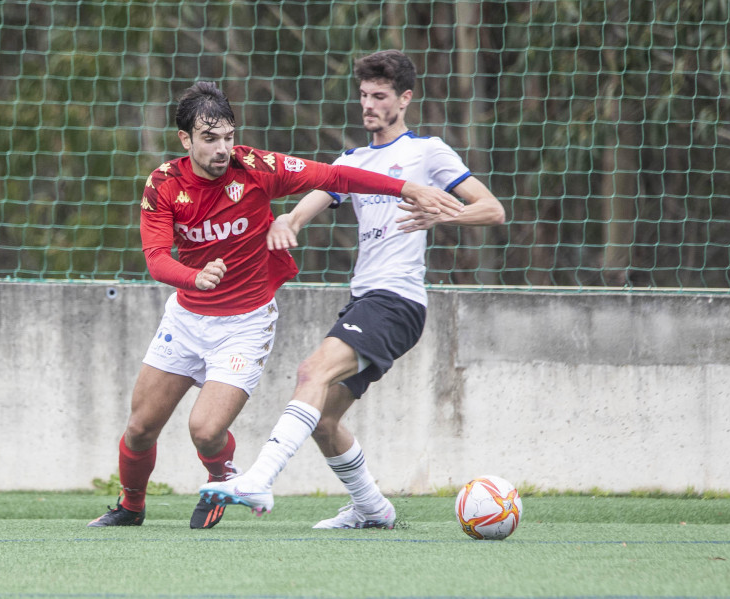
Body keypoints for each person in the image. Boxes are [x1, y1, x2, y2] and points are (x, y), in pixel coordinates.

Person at [87, 80, 463, 529]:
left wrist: (408, 189)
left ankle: (222, 476)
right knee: (140, 428)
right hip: (186, 317)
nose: (223, 148)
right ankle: (131, 507)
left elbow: (336, 176)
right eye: (210, 139)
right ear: (185, 139)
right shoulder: (164, 184)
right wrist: (194, 277)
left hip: (245, 323)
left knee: (205, 431)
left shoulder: (257, 167)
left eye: (228, 136)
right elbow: (155, 259)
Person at [199, 50, 505, 528]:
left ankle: (258, 478)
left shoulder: (428, 152)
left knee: (311, 373)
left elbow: (492, 209)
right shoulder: (354, 161)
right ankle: (372, 508)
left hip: (398, 301)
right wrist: (287, 220)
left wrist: (445, 213)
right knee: (323, 420)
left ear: (404, 99)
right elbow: (306, 205)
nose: (368, 105)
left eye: (379, 96)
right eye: (363, 95)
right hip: (365, 300)